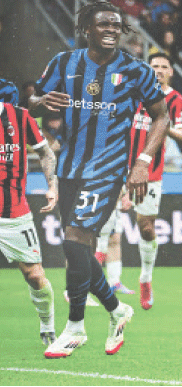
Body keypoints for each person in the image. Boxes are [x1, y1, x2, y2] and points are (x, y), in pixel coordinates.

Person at [29, 2, 169, 358]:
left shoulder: (136, 70)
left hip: (108, 169)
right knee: (79, 250)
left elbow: (161, 117)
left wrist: (142, 162)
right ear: (86, 29)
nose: (111, 28)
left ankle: (75, 327)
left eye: (116, 25)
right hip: (70, 167)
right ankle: (117, 310)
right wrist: (41, 100)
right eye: (103, 23)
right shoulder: (65, 62)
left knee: (75, 240)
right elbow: (31, 99)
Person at [95, 53, 182, 310]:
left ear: (171, 71)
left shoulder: (176, 101)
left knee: (146, 227)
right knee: (102, 223)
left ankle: (145, 278)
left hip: (150, 170)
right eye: (154, 66)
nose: (158, 70)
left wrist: (163, 125)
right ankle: (91, 282)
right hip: (117, 167)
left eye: (163, 66)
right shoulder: (132, 92)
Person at [0, 81, 59, 346]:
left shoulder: (20, 118)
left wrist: (52, 185)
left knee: (34, 275)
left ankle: (47, 326)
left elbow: (46, 153)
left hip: (13, 212)